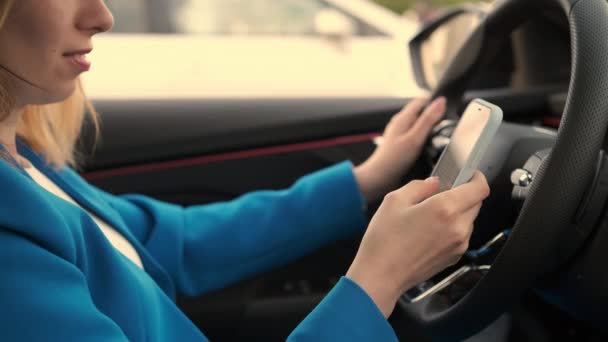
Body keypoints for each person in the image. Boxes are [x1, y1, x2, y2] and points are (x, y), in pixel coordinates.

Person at [0, 1, 490, 341]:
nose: (101, 16)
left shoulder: (26, 162)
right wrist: (379, 279)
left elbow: (177, 242)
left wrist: (365, 180)